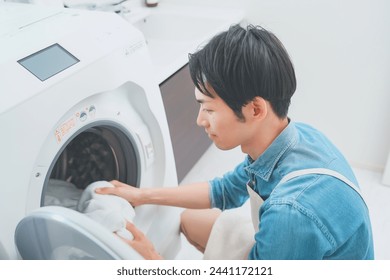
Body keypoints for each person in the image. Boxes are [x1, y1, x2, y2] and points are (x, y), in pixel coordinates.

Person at [96, 24, 374, 260]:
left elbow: (288, 219)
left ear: (255, 109)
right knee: (190, 220)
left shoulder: (291, 214)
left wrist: (152, 262)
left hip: (291, 240)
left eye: (209, 109)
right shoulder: (291, 137)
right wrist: (141, 195)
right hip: (292, 245)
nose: (200, 121)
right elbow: (224, 191)